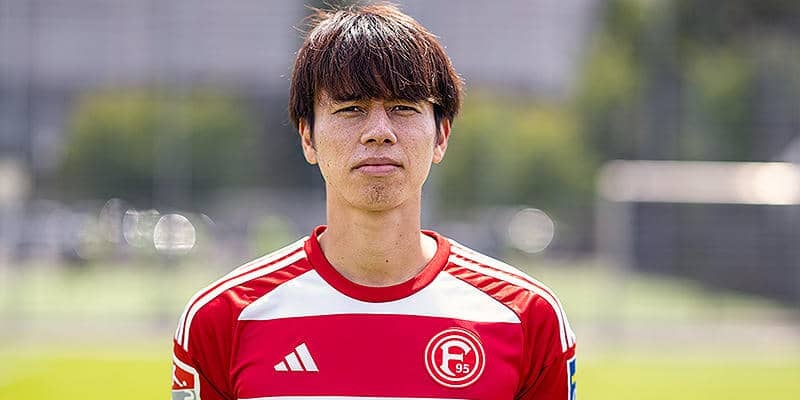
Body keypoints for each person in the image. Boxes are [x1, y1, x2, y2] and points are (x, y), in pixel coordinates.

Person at [171, 3, 576, 399]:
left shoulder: (527, 317)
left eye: (403, 107)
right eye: (351, 109)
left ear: (441, 136)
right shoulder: (222, 319)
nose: (379, 131)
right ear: (308, 137)